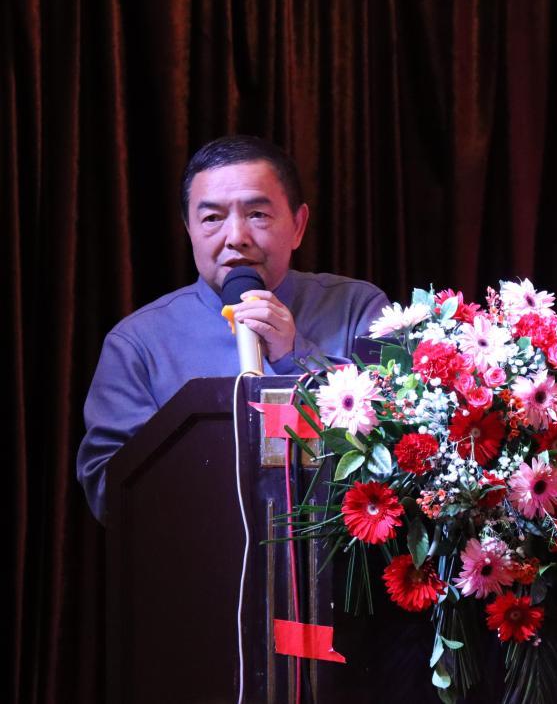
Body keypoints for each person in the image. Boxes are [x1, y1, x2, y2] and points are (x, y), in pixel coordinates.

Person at [77, 135, 389, 522]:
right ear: (189, 229)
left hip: (339, 552)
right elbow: (108, 486)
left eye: (257, 214)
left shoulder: (359, 310)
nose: (236, 237)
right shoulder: (138, 343)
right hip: (199, 552)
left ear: (298, 225)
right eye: (212, 218)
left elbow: (403, 445)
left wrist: (297, 355)